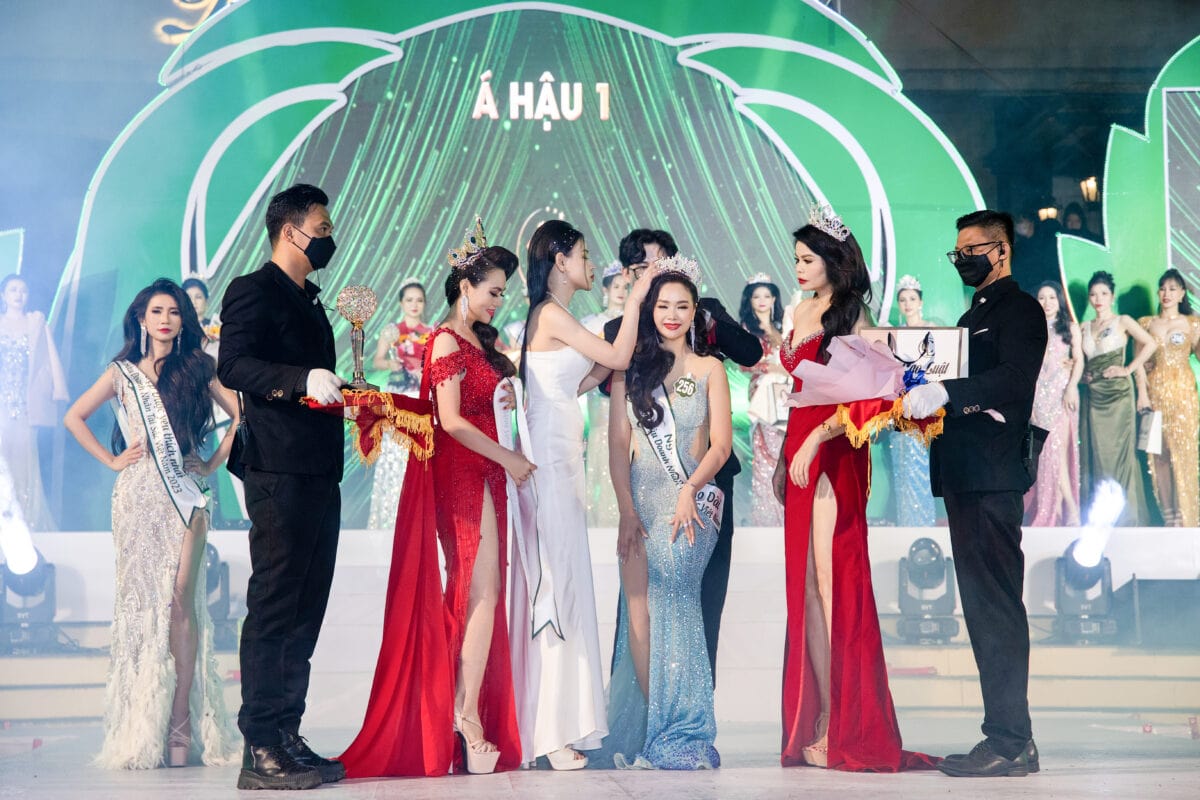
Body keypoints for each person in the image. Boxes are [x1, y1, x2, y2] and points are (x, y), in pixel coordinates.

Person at [340, 223, 531, 777]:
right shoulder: (446, 340)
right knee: (479, 590)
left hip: (486, 473)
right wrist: (508, 458)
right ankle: (463, 717)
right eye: (492, 291)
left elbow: (480, 406)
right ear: (465, 286)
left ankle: (460, 712)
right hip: (463, 475)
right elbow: (449, 420)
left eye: (502, 293)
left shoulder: (480, 341)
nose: (498, 302)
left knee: (482, 592)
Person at [774, 205, 934, 772]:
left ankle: (841, 721)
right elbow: (799, 389)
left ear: (833, 261)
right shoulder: (800, 309)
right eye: (796, 259)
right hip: (798, 451)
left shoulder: (853, 315)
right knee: (806, 590)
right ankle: (821, 713)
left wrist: (816, 440)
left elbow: (876, 396)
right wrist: (787, 453)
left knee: (830, 581)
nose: (799, 268)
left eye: (808, 259)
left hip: (835, 453)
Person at [63, 278, 239, 769]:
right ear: (141, 319)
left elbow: (240, 414)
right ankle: (145, 721)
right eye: (157, 311)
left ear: (184, 321)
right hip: (138, 496)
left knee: (181, 598)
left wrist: (211, 463)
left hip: (186, 494)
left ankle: (180, 718)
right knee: (145, 606)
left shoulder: (198, 366)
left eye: (174, 312)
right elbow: (74, 417)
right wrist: (112, 460)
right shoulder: (121, 373)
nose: (166, 319)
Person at [901, 210, 1047, 777]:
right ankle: (1010, 737)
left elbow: (1014, 379)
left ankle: (1010, 740)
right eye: (957, 252)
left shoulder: (1021, 310)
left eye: (973, 249)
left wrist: (947, 392)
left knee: (997, 608)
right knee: (983, 609)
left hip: (992, 474)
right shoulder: (969, 317)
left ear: (1001, 250)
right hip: (965, 475)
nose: (963, 259)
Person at [217, 183, 348, 790]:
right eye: (321, 227)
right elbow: (233, 364)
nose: (327, 237)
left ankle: (288, 733)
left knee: (305, 607)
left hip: (319, 470)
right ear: (291, 231)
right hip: (277, 471)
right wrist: (300, 378)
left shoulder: (311, 301)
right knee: (274, 604)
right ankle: (260, 744)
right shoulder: (253, 289)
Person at [515, 220, 656, 768]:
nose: (593, 264)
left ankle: (559, 726)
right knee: (558, 586)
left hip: (562, 460)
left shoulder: (556, 316)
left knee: (566, 583)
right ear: (559, 260)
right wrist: (637, 298)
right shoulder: (550, 314)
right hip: (549, 465)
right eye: (584, 254)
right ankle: (550, 733)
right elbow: (616, 359)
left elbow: (583, 379)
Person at [602, 228, 762, 682]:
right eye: (642, 269)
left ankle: (695, 701)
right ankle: (641, 698)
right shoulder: (620, 328)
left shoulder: (703, 312)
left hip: (708, 479)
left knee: (705, 593)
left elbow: (750, 352)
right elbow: (608, 392)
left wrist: (700, 318)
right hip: (649, 484)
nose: (653, 277)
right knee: (639, 603)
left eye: (661, 266)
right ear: (629, 274)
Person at [599, 262, 730, 769]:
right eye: (663, 306)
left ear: (695, 312)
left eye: (682, 306)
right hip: (640, 504)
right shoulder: (628, 370)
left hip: (689, 505)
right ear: (650, 311)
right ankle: (656, 729)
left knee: (677, 600)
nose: (672, 315)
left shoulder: (710, 369)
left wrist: (689, 489)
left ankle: (685, 728)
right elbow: (618, 446)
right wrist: (625, 510)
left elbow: (720, 446)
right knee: (638, 616)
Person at [1077, 270, 1155, 526]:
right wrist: (1081, 376)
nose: (1098, 299)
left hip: (1119, 395)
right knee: (1098, 455)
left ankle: (1127, 518)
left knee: (1120, 455)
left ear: (1111, 296)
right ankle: (1102, 518)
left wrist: (1127, 369)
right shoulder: (1083, 327)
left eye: (1103, 293)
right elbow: (1077, 361)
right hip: (1093, 395)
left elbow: (1150, 344)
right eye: (1093, 294)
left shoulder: (1123, 321)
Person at [0, 273, 67, 530]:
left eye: (23, 290)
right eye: (13, 290)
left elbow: (50, 360)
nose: (19, 295)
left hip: (26, 405)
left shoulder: (36, 322)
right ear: (3, 295)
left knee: (24, 462)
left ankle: (25, 518)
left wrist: (57, 390)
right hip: (2, 405)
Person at [367, 279, 432, 529]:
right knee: (396, 453)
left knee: (420, 451)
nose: (414, 305)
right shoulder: (392, 331)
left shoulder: (431, 331)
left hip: (422, 397)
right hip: (398, 396)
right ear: (401, 303)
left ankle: (419, 514)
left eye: (419, 300)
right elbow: (377, 360)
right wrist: (390, 364)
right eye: (409, 300)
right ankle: (392, 514)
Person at [1136, 269, 1200, 527]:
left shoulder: (1192, 323)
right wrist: (1142, 394)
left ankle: (1187, 515)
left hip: (1183, 395)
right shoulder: (1146, 323)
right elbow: (1139, 364)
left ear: (1182, 293)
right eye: (1163, 288)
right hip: (1155, 395)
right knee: (1158, 455)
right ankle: (1169, 516)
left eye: (1173, 289)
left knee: (1183, 453)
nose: (1167, 293)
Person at [1025, 281, 1082, 526]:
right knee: (1047, 454)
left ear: (1059, 300)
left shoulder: (1070, 327)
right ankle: (1059, 511)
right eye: (1042, 298)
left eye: (1051, 297)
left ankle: (1071, 510)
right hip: (1039, 397)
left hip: (1061, 396)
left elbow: (1078, 360)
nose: (1047, 302)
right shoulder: (1031, 329)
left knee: (1058, 452)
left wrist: (1071, 387)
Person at [581, 261, 629, 526]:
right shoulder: (592, 324)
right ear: (606, 290)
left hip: (627, 394)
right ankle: (599, 519)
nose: (621, 291)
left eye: (625, 287)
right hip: (599, 396)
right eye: (616, 286)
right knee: (601, 445)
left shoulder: (633, 322)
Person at [887, 275, 938, 527]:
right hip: (899, 408)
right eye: (903, 300)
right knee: (901, 466)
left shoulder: (933, 330)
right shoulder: (894, 334)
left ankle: (923, 524)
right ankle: (906, 523)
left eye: (912, 299)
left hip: (926, 408)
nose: (907, 304)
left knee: (920, 465)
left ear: (921, 302)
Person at [739, 273, 787, 527]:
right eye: (756, 296)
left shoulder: (782, 327)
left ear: (774, 299)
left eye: (767, 296)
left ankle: (786, 516)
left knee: (784, 452)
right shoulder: (747, 329)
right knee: (765, 453)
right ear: (749, 300)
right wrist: (770, 367)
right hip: (761, 395)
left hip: (784, 395)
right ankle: (766, 518)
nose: (762, 301)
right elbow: (743, 363)